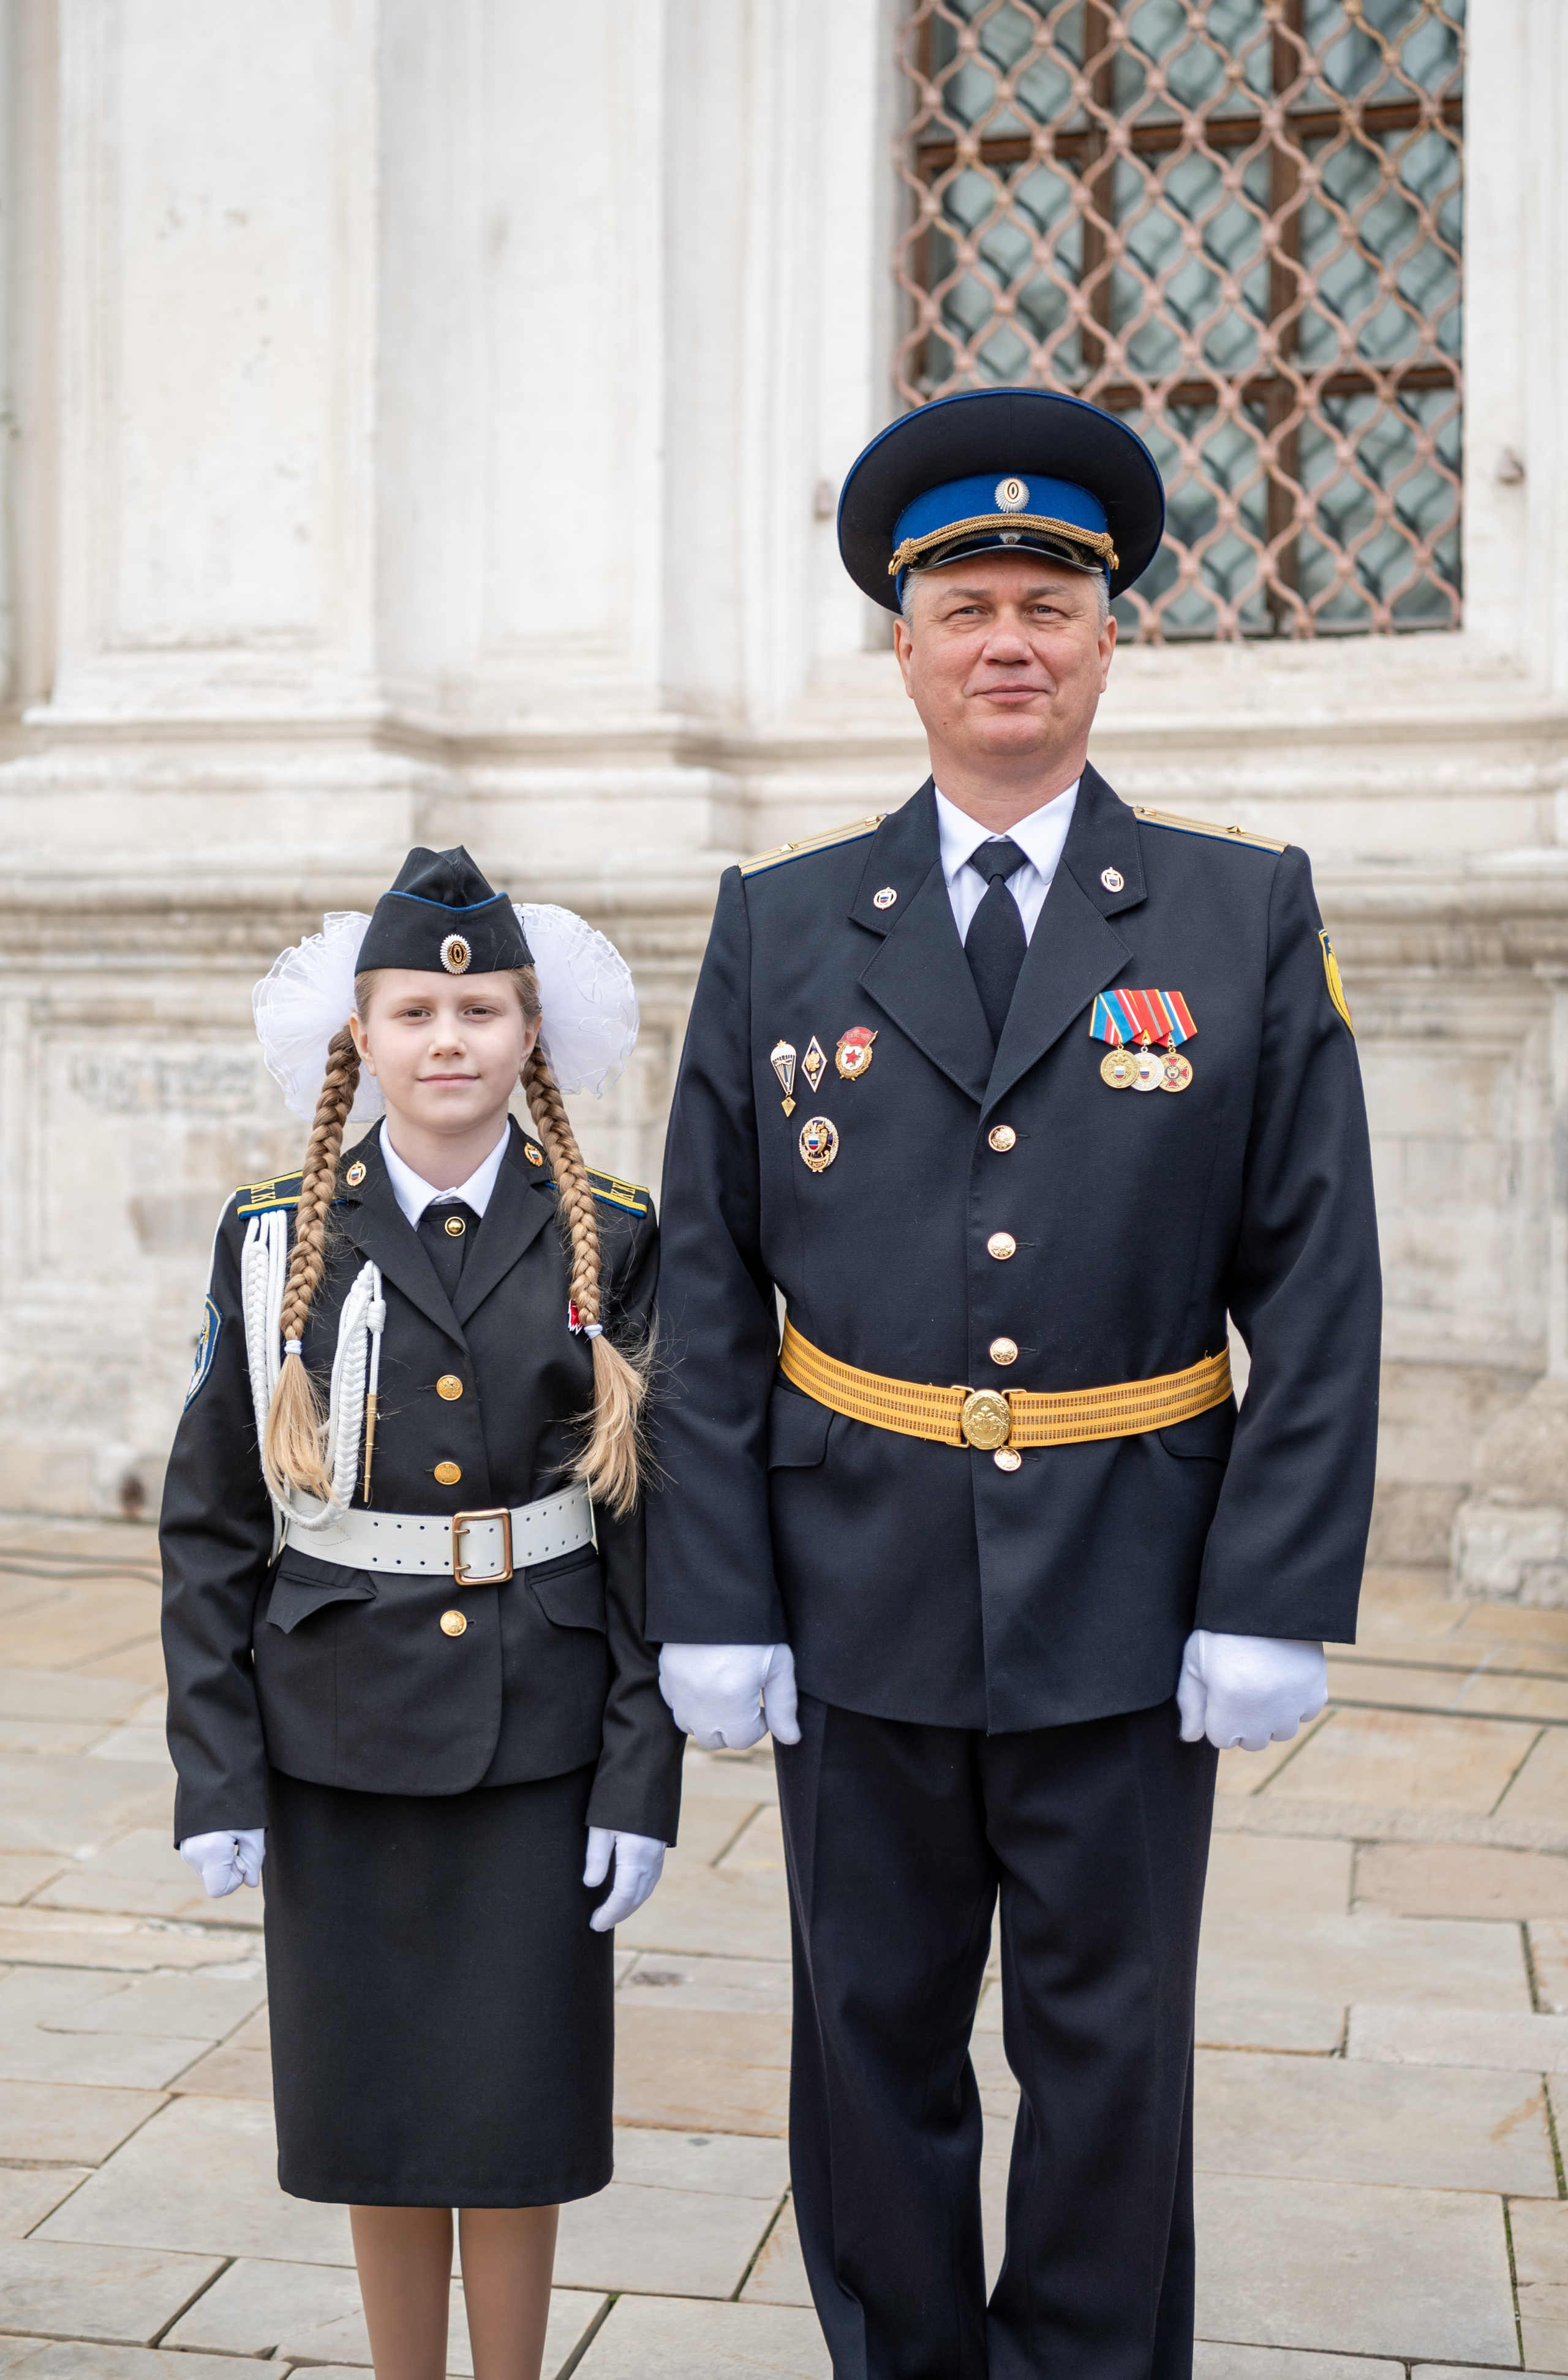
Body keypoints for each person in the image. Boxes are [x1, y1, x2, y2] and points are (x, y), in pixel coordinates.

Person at [647, 388, 1381, 2379]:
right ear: (903, 642)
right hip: (852, 1575)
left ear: (1109, 632)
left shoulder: (1240, 914)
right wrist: (708, 1594)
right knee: (867, 2038)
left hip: (1134, 1595)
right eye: (964, 600)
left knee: (1111, 2049)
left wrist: (1272, 1585)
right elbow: (707, 1286)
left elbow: (1319, 1281)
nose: (1007, 638)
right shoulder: (783, 925)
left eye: (1049, 600)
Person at [160, 847, 682, 2380]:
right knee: (374, 2105)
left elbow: (655, 1525)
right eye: (411, 1012)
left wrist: (641, 1771)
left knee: (516, 2107)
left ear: (534, 1034)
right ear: (359, 1040)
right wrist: (215, 1770)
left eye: (481, 1010)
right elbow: (209, 1524)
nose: (446, 1041)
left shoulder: (613, 1230)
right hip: (333, 1733)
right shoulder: (275, 1239)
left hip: (543, 1735)